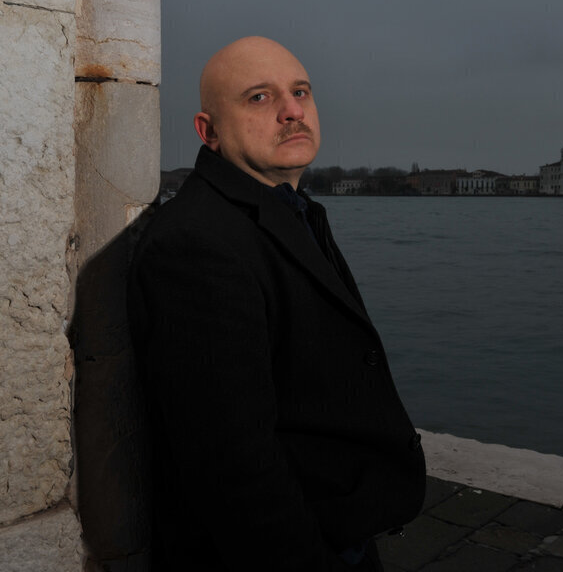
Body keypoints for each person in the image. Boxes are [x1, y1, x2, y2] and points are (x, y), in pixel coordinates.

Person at [127, 36, 426, 570]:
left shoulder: (285, 208)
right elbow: (231, 468)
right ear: (209, 132)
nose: (293, 111)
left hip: (335, 527)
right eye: (260, 98)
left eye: (301, 92)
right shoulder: (197, 243)